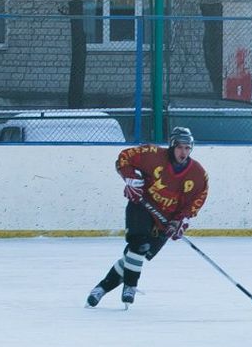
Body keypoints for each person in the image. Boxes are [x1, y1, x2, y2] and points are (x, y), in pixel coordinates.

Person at [86, 126, 209, 308]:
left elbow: (197, 198)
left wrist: (181, 220)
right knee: (139, 245)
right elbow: (124, 158)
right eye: (180, 147)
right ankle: (130, 286)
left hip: (165, 220)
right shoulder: (152, 154)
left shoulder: (198, 174)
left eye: (187, 148)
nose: (183, 152)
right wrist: (130, 179)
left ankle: (101, 289)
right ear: (172, 146)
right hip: (142, 205)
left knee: (135, 257)